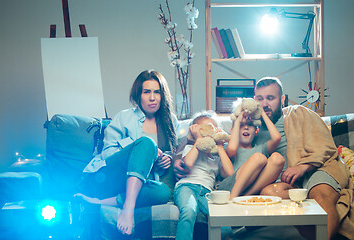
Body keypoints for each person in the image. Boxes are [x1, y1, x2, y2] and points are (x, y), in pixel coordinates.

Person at [253, 77, 354, 240]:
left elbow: (326, 146)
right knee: (269, 193)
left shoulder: (299, 113)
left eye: (270, 98)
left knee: (319, 195)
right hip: (287, 180)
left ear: (282, 100)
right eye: (260, 99)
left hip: (316, 169)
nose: (265, 104)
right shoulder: (252, 126)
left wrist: (303, 166)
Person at [75, 70, 178, 235]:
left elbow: (174, 152)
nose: (152, 97)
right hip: (107, 178)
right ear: (138, 95)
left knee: (163, 192)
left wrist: (166, 158)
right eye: (147, 92)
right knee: (146, 143)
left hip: (137, 185)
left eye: (157, 92)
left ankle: (102, 202)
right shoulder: (124, 117)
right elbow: (108, 154)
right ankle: (127, 210)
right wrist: (145, 149)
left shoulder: (170, 121)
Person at [173, 111, 234, 240]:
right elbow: (188, 163)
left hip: (206, 192)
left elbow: (230, 174)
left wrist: (220, 146)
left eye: (213, 129)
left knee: (221, 219)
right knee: (189, 211)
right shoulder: (191, 148)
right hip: (186, 187)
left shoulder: (216, 157)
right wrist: (198, 140)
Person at [216, 103, 285, 199]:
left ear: (256, 131)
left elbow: (277, 138)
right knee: (258, 157)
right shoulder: (228, 148)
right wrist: (237, 120)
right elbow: (232, 149)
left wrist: (262, 113)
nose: (246, 127)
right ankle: (233, 198)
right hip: (229, 187)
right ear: (233, 131)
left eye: (250, 125)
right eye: (241, 125)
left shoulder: (261, 148)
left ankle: (245, 196)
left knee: (278, 158)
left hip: (251, 189)